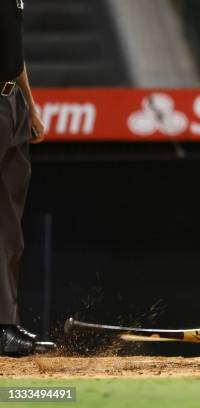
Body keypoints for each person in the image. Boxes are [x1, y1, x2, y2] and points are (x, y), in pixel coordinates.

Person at [0, 0, 56, 356]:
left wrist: (31, 105)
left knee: (9, 228)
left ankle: (5, 325)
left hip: (11, 100)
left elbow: (13, 52)